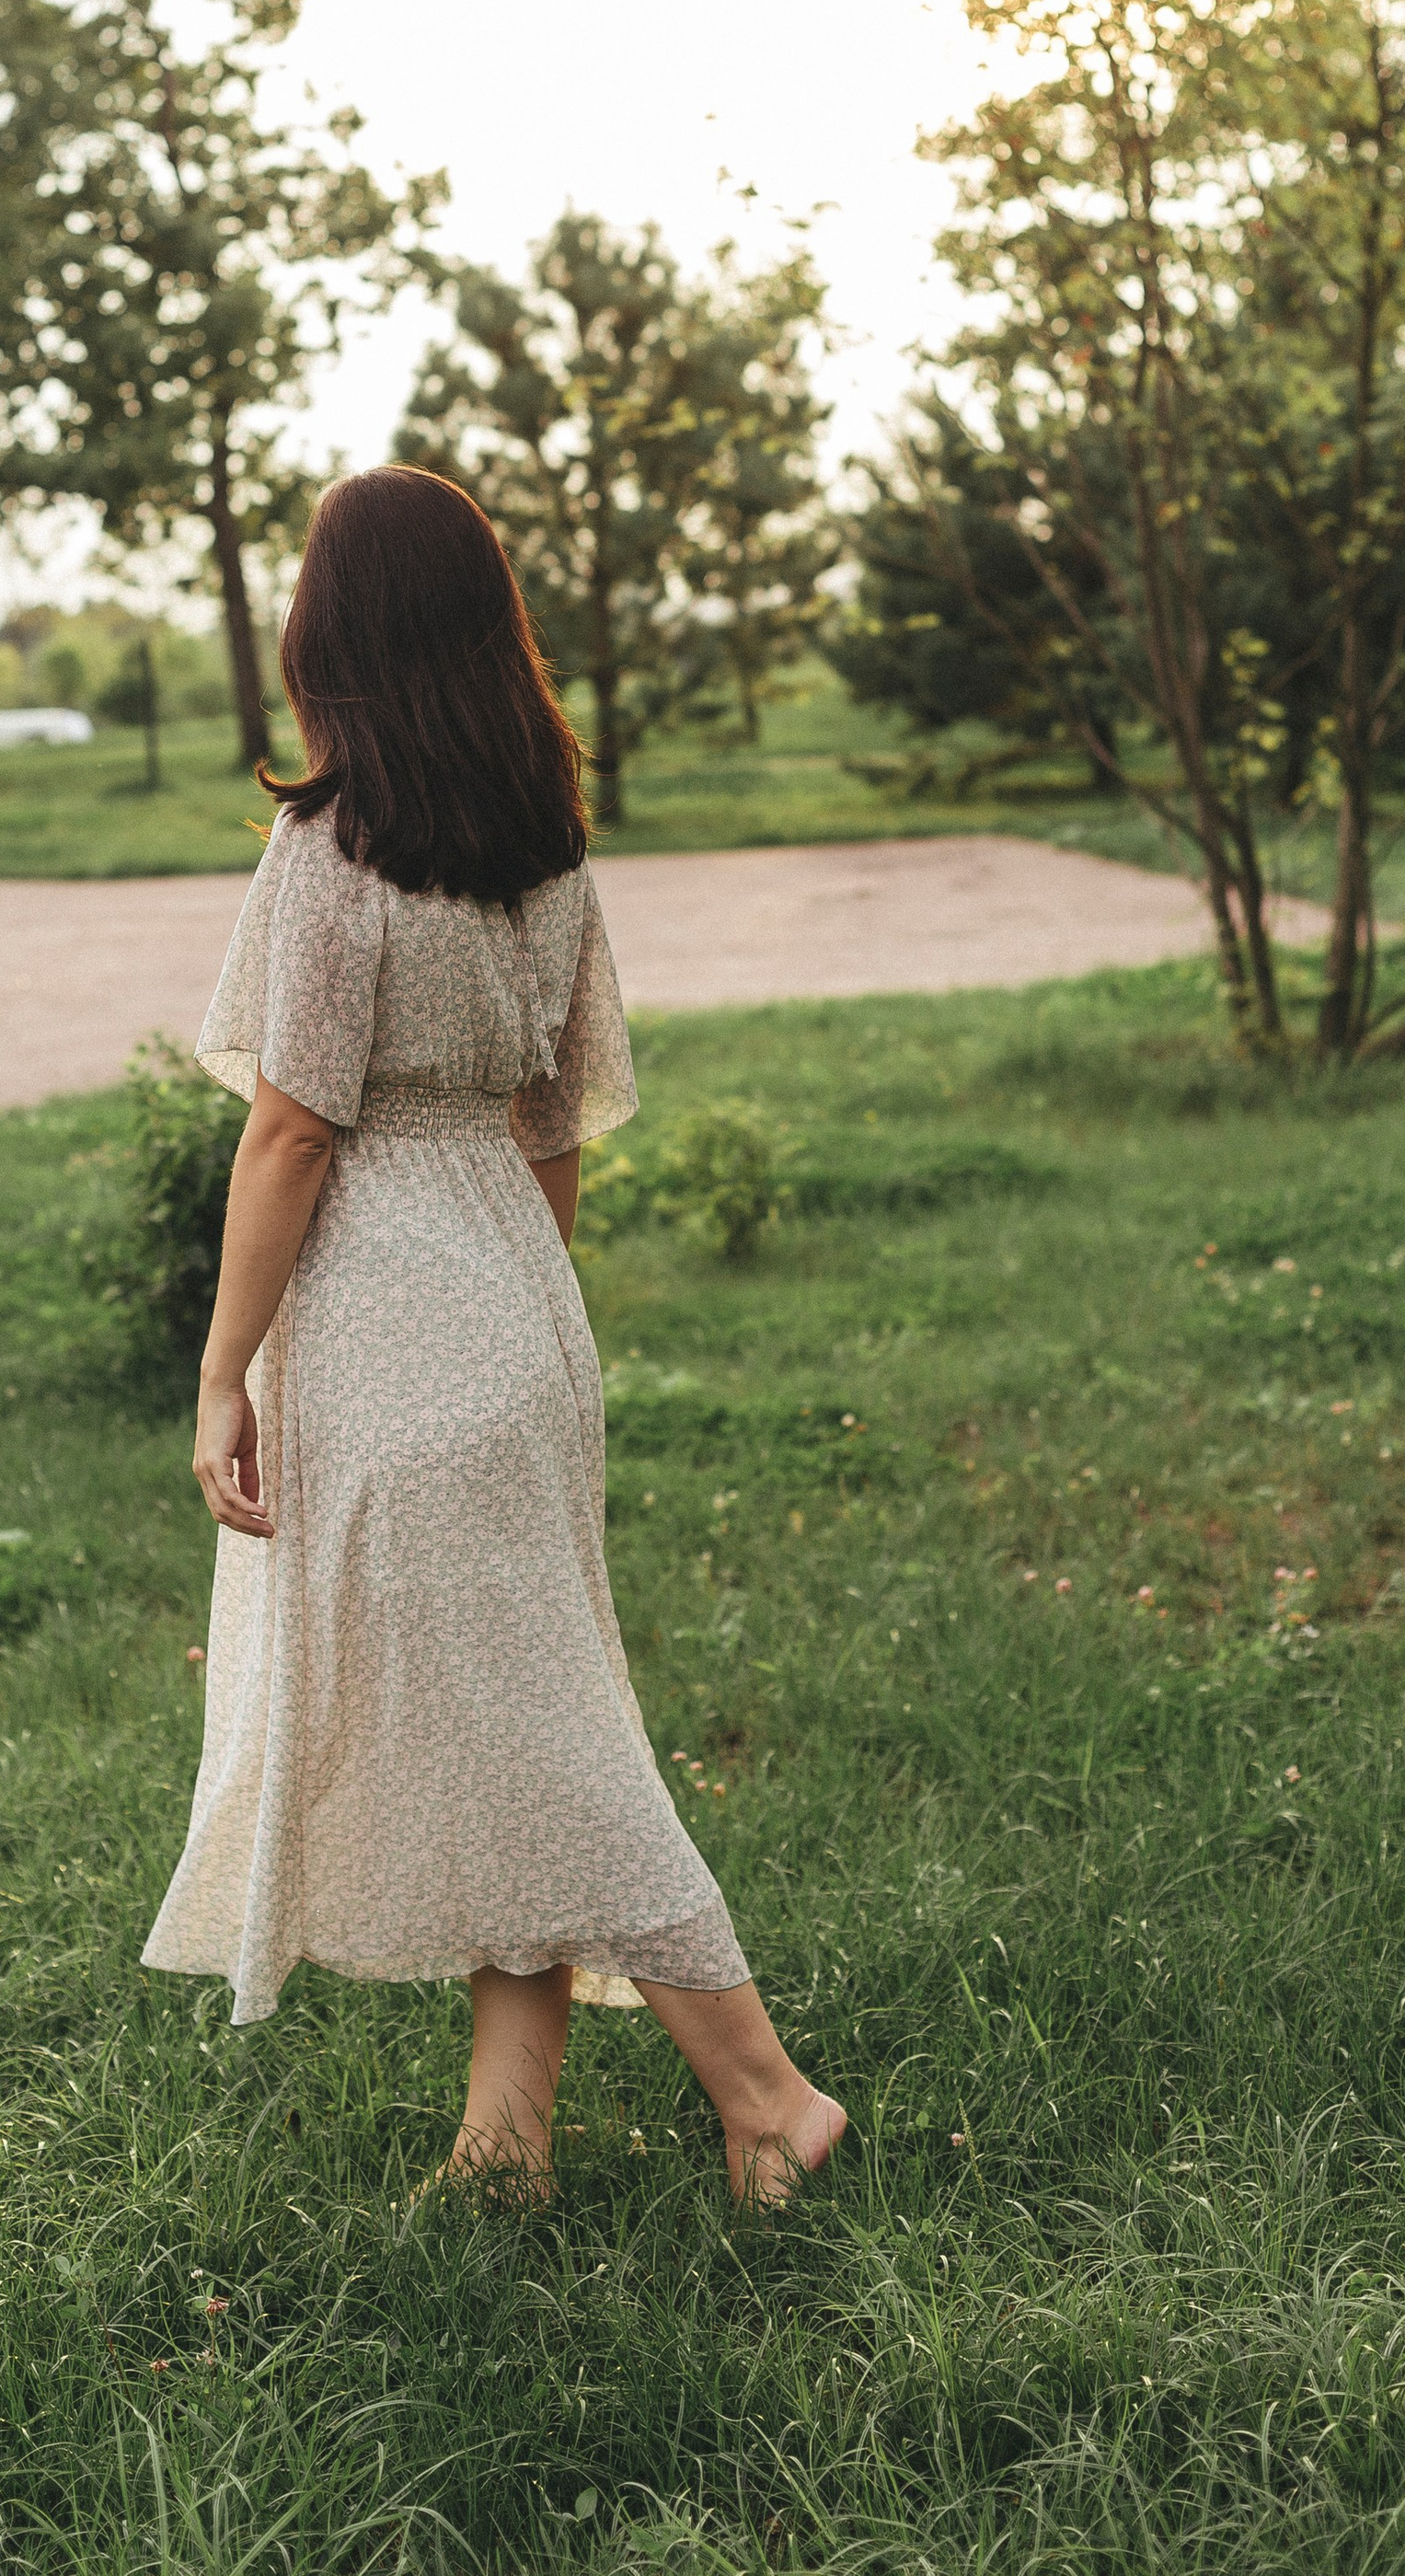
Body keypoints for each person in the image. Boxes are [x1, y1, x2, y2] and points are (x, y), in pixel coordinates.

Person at [143, 465, 845, 2204]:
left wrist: (225, 1366)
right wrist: (521, 1328)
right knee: (501, 1711)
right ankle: (504, 2136)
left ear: (334, 635)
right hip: (521, 1311)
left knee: (538, 1733)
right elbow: (555, 1135)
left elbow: (295, 1133)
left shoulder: (334, 855)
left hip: (388, 1325)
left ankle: (767, 2096)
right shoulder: (542, 849)